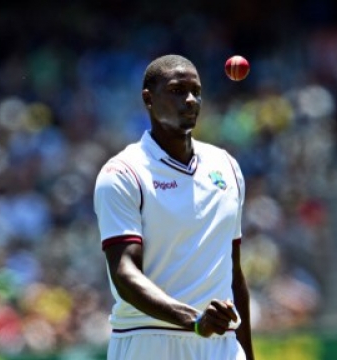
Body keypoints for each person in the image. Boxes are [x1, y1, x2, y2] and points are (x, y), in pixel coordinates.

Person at [94, 54, 254, 360]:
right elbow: (124, 273)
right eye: (178, 91)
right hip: (148, 341)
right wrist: (193, 320)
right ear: (148, 99)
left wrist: (247, 353)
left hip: (220, 343)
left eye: (196, 91)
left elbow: (233, 272)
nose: (191, 100)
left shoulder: (227, 167)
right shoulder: (123, 173)